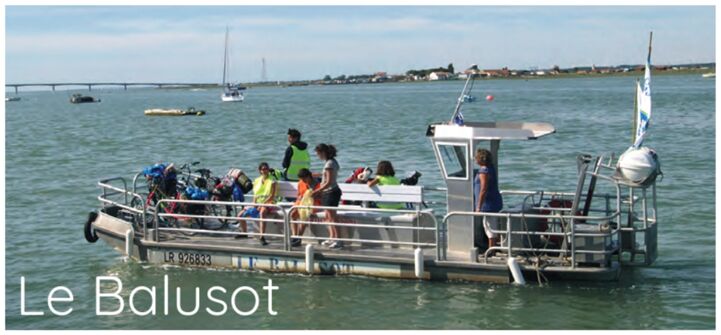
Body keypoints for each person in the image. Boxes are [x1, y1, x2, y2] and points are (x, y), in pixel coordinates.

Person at [310, 143, 343, 249]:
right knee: (328, 216)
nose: (318, 156)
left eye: (318, 153)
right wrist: (317, 174)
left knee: (332, 217)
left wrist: (317, 191)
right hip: (329, 192)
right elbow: (327, 176)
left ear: (323, 152)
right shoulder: (332, 162)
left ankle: (338, 240)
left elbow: (328, 182)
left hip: (331, 192)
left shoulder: (329, 164)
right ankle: (332, 237)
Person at [237, 162, 278, 246]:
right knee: (240, 215)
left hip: (269, 202)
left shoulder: (272, 180)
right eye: (263, 169)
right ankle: (244, 233)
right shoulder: (257, 180)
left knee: (262, 212)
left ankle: (262, 236)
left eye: (266, 169)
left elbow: (272, 195)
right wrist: (254, 204)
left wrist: (262, 204)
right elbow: (255, 195)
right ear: (260, 171)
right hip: (258, 202)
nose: (265, 171)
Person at [474, 148, 503, 249]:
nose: (475, 159)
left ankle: (491, 251)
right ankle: (493, 248)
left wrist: (478, 206)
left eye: (476, 157)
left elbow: (483, 189)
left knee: (489, 228)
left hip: (488, 205)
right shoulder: (490, 168)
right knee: (491, 226)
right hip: (493, 202)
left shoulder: (484, 171)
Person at [290, 168, 320, 247]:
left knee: (304, 216)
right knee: (293, 214)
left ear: (309, 176)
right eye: (301, 179)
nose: (303, 180)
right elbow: (299, 195)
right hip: (301, 202)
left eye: (304, 178)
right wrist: (299, 201)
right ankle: (294, 236)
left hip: (313, 203)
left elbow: (320, 197)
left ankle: (299, 238)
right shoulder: (300, 183)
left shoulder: (317, 184)